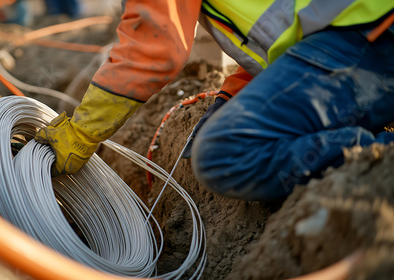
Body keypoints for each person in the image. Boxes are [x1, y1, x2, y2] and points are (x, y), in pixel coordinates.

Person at [35, 0, 394, 201]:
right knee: (212, 130)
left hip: (369, 35)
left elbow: (153, 50)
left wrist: (82, 133)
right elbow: (276, 36)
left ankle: (381, 156)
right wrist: (232, 96)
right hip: (360, 30)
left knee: (224, 153)